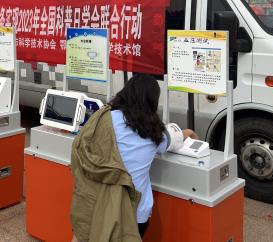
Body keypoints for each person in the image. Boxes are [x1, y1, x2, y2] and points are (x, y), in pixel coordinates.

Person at [70, 74, 196, 241]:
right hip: (134, 213)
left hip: (97, 203)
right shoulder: (153, 132)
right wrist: (190, 133)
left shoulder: (102, 118)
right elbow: (175, 138)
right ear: (152, 101)